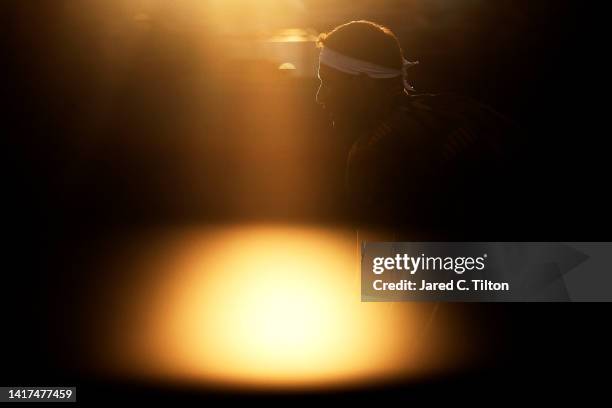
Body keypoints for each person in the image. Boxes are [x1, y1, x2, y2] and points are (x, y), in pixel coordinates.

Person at [316, 20, 518, 239]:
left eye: (328, 83)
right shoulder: (459, 109)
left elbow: (386, 265)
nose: (320, 97)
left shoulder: (374, 154)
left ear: (365, 83)